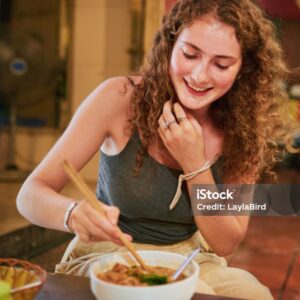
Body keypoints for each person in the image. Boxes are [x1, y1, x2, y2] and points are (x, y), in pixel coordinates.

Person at [16, 0, 291, 298]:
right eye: (190, 54)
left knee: (252, 292)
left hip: (192, 257)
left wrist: (195, 164)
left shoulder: (243, 129)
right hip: (110, 253)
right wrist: (71, 213)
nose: (199, 75)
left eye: (221, 64)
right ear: (170, 46)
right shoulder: (119, 98)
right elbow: (30, 194)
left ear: (243, 68)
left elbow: (226, 244)